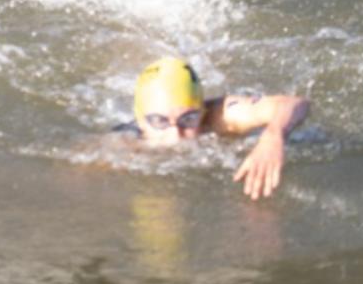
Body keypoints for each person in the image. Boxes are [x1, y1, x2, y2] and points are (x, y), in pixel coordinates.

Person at [119, 57, 311, 200]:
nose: (175, 135)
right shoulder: (124, 143)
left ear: (202, 111)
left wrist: (273, 136)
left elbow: (294, 103)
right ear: (141, 120)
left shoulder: (220, 116)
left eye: (188, 118)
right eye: (159, 122)